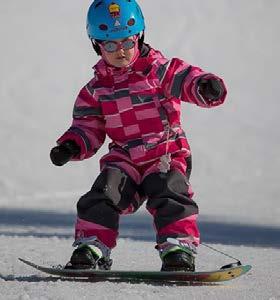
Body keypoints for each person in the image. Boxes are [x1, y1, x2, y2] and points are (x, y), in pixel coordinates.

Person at [50, 0, 227, 272]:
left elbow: (187, 79)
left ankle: (178, 247)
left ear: (139, 37)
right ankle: (93, 245)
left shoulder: (159, 70)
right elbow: (88, 126)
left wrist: (205, 86)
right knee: (104, 192)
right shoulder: (96, 89)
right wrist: (71, 145)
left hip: (164, 151)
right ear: (96, 45)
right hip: (124, 156)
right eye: (110, 45)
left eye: (126, 42)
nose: (120, 51)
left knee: (169, 190)